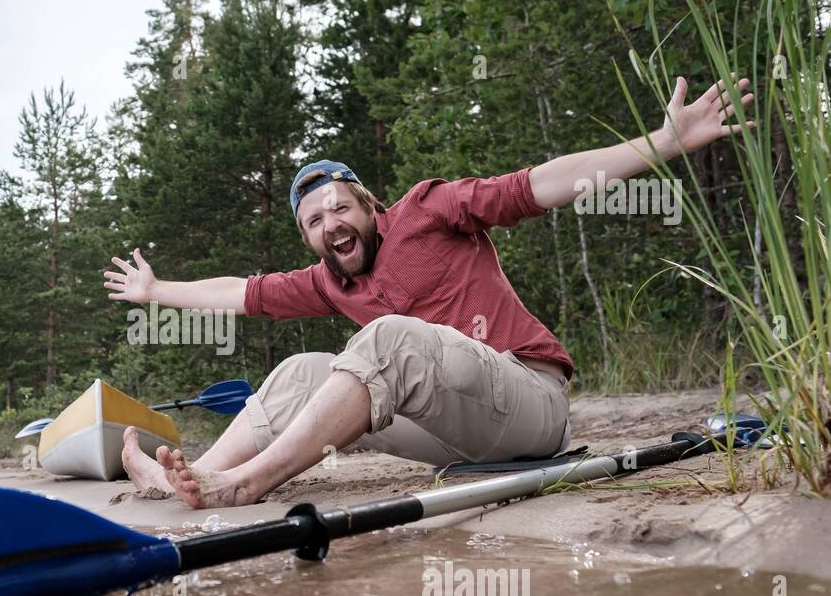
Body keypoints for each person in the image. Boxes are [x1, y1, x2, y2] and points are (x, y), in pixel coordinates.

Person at [103, 75, 754, 509]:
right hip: (450, 435)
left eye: (337, 208)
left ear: (366, 204)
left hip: (530, 403)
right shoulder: (331, 281)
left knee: (384, 339)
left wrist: (663, 142)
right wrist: (157, 289)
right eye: (313, 222)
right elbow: (241, 294)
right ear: (308, 238)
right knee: (302, 370)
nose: (330, 224)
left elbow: (541, 185)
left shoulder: (429, 209)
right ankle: (187, 478)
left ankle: (244, 484)